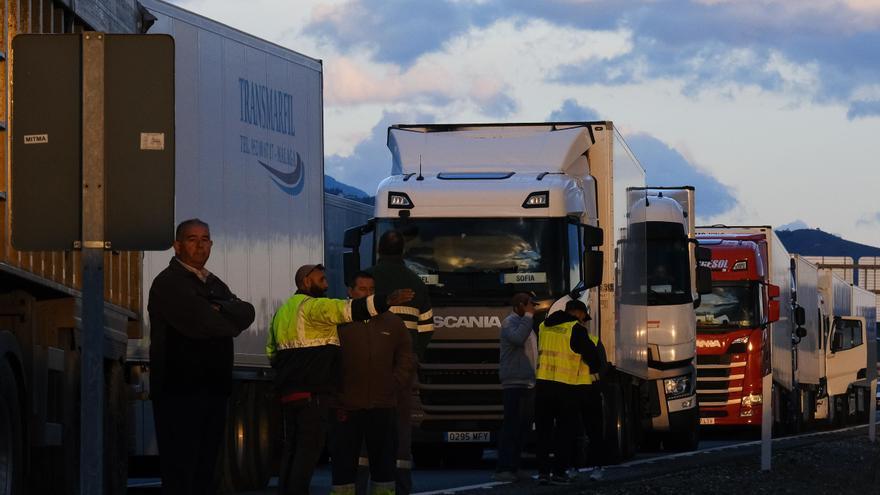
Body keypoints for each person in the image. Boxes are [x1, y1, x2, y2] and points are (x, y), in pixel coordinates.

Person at [268, 264, 414, 495]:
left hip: (301, 393)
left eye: (372, 289)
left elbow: (272, 352)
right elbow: (348, 311)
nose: (326, 284)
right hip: (330, 399)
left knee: (294, 451)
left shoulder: (283, 311)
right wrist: (388, 299)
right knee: (314, 457)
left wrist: (394, 382)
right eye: (322, 279)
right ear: (306, 282)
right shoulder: (321, 311)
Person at [148, 218, 256, 495]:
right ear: (177, 245)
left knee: (206, 470)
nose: (200, 245)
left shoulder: (212, 282)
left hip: (213, 390)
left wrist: (220, 310)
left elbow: (247, 312)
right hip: (180, 391)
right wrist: (225, 315)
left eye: (205, 239)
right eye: (192, 239)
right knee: (182, 470)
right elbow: (203, 322)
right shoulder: (169, 283)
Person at [331, 272, 414, 495]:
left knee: (384, 463)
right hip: (347, 404)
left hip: (383, 404)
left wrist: (395, 382)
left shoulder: (393, 322)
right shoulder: (338, 322)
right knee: (344, 463)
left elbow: (406, 356)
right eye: (362, 289)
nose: (367, 294)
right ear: (350, 291)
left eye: (371, 290)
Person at [368, 229, 433, 495]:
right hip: (404, 363)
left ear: (379, 250)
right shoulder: (415, 282)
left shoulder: (366, 279)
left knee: (367, 418)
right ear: (402, 252)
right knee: (401, 422)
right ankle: (402, 483)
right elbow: (427, 327)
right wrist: (416, 354)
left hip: (369, 360)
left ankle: (365, 479)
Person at [534, 299, 595, 485]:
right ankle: (560, 473)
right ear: (578, 313)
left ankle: (543, 473)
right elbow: (591, 357)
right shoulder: (575, 329)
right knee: (564, 432)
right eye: (584, 317)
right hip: (566, 387)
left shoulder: (543, 326)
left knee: (543, 432)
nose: (584, 321)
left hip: (543, 385)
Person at [494, 292, 538, 482]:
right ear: (520, 305)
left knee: (523, 427)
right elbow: (518, 339)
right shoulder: (509, 323)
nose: (532, 309)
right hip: (514, 382)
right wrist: (528, 316)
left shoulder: (525, 324)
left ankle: (514, 466)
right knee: (511, 426)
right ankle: (503, 468)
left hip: (528, 382)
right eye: (529, 305)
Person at [569, 306, 608, 473]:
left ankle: (572, 467)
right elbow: (601, 366)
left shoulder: (560, 336)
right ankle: (596, 466)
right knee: (594, 430)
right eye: (585, 319)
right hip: (590, 388)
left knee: (572, 430)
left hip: (570, 388)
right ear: (580, 316)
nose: (585, 323)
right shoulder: (592, 340)